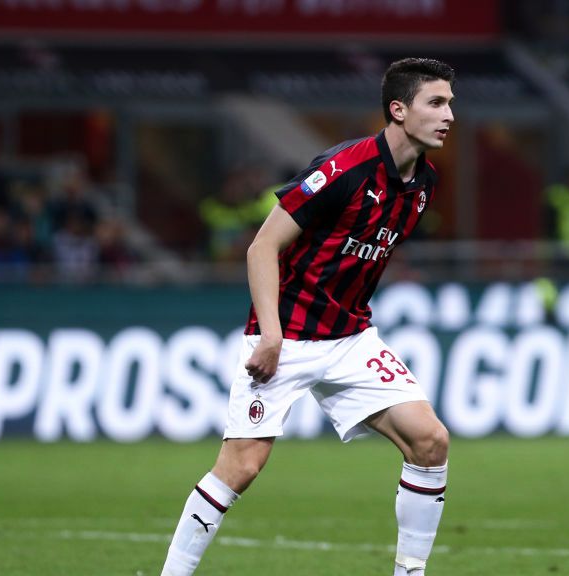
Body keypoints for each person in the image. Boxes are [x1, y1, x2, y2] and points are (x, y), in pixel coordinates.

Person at [161, 57, 455, 576]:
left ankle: (410, 573)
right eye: (436, 102)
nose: (449, 113)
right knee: (241, 467)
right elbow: (262, 247)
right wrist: (270, 335)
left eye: (450, 102)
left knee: (430, 440)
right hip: (288, 336)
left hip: (350, 337)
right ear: (398, 109)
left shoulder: (424, 183)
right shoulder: (343, 169)